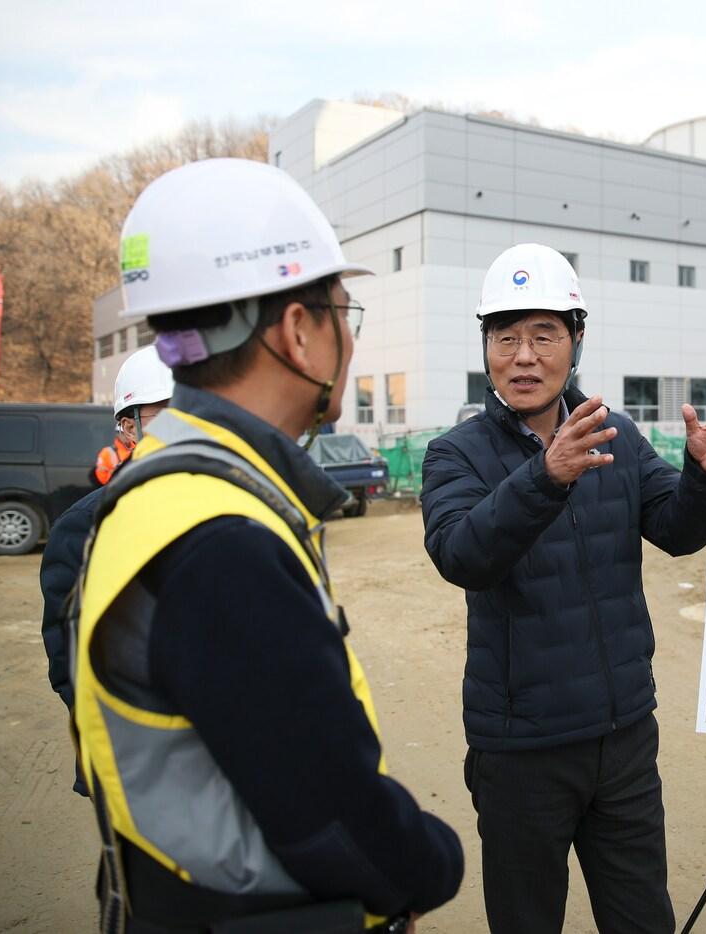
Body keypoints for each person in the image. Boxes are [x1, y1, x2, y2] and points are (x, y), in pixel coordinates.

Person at [73, 158, 462, 932]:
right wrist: (436, 860)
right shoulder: (221, 544)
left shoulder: (162, 485)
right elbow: (336, 820)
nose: (347, 336)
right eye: (341, 312)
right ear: (297, 331)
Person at [420, 243, 706, 934]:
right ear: (485, 348)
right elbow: (462, 554)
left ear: (575, 340)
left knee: (642, 920)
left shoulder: (617, 436)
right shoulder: (456, 454)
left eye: (543, 335)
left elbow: (676, 528)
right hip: (520, 752)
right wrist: (545, 476)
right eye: (505, 337)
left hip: (623, 737)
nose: (522, 355)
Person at [40, 345, 174, 796]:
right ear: (127, 427)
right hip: (138, 762)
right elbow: (71, 663)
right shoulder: (83, 529)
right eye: (163, 417)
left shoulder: (235, 507)